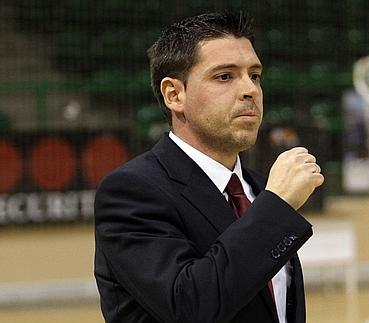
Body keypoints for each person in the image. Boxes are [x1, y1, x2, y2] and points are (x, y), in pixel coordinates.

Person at [94, 12, 324, 323]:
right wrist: (276, 206)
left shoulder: (257, 189)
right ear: (175, 94)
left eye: (254, 75)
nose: (250, 90)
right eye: (225, 76)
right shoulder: (132, 191)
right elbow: (190, 307)